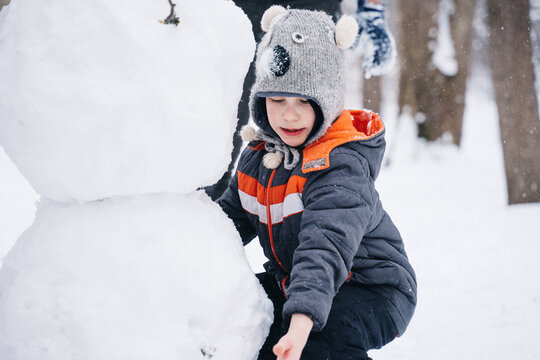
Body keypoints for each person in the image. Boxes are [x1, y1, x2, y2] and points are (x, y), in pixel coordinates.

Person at [218, 6, 416, 360]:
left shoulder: (339, 166)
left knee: (316, 344)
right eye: (277, 99)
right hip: (297, 283)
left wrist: (300, 321)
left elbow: (323, 250)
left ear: (325, 102)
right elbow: (225, 224)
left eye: (303, 102)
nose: (289, 114)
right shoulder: (259, 158)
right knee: (238, 321)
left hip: (373, 288)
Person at [205, 0, 395, 201]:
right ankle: (207, 203)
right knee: (228, 115)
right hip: (245, 8)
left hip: (313, 8)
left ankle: (326, 204)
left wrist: (373, 10)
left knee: (313, 120)